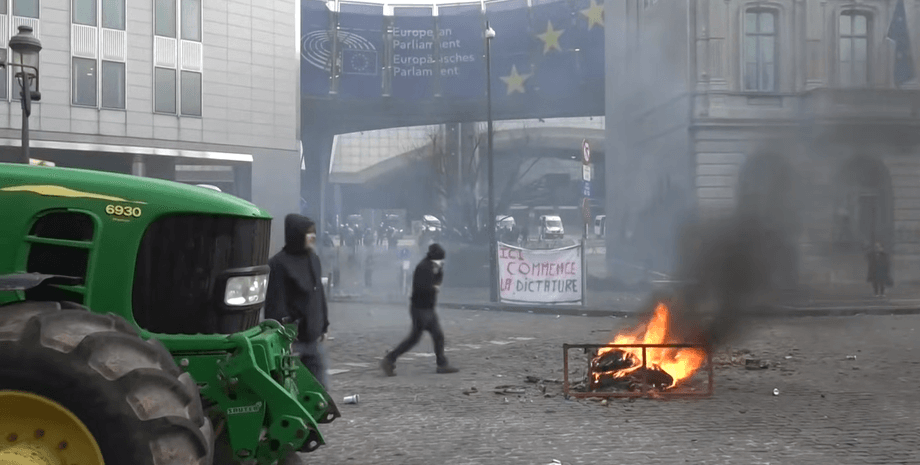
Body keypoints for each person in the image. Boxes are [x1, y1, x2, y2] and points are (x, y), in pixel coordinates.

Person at [264, 214, 330, 388]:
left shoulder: (313, 259)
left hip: (314, 339)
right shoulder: (278, 264)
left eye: (313, 232)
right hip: (293, 342)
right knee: (293, 388)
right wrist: (283, 337)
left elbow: (319, 295)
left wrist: (324, 325)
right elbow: (275, 303)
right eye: (308, 232)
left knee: (320, 388)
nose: (312, 236)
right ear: (297, 234)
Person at [380, 243, 459, 376]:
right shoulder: (423, 267)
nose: (441, 263)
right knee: (415, 338)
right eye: (440, 261)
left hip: (427, 308)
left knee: (435, 336)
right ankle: (390, 359)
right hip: (421, 309)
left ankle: (441, 364)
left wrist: (439, 273)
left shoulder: (432, 267)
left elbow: (436, 281)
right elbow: (422, 288)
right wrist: (434, 287)